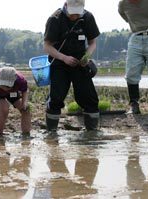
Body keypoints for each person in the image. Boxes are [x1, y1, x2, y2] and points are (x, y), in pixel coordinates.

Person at [43, 0, 100, 134]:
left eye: (77, 14)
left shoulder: (87, 17)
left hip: (80, 63)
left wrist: (86, 56)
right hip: (59, 63)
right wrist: (64, 58)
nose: (75, 16)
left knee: (89, 98)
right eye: (72, 13)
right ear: (66, 5)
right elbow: (47, 46)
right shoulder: (54, 19)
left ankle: (91, 132)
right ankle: (51, 132)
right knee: (56, 98)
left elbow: (92, 43)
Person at [118, 0, 148, 114]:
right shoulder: (123, 4)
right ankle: (134, 104)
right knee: (131, 73)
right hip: (136, 37)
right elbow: (124, 16)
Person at [0, 67, 31, 137]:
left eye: (8, 87)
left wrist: (24, 103)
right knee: (4, 109)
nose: (5, 89)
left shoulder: (20, 79)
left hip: (13, 92)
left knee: (25, 110)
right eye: (3, 86)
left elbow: (25, 90)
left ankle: (26, 135)